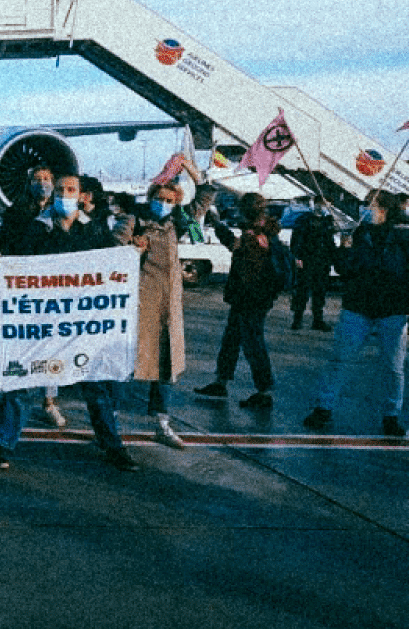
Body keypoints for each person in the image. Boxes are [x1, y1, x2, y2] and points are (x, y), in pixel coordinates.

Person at [0, 172, 140, 472]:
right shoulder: (35, 228)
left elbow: (114, 263)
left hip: (81, 327)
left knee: (96, 387)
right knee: (22, 384)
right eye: (60, 189)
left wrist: (136, 254)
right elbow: (15, 263)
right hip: (42, 325)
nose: (64, 194)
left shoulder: (93, 230)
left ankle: (113, 446)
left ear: (82, 195)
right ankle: (0, 445)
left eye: (70, 189)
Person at [114, 156, 215, 449]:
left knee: (167, 366)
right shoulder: (134, 221)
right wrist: (132, 247)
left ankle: (162, 422)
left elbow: (204, 201)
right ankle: (113, 421)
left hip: (169, 308)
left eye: (170, 199)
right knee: (128, 363)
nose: (164, 203)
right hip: (140, 305)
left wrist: (195, 173)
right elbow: (113, 245)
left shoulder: (175, 224)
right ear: (150, 198)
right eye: (159, 198)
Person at [303, 190, 408, 436]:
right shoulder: (360, 233)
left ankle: (391, 414)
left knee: (393, 366)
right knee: (340, 358)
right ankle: (324, 407)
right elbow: (345, 269)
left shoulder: (403, 236)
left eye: (369, 204)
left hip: (392, 309)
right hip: (358, 306)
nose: (365, 209)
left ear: (383, 208)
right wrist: (344, 248)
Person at [194, 192, 292, 408]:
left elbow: (236, 249)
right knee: (232, 340)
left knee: (253, 344)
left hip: (251, 299)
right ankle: (221, 381)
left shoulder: (255, 234)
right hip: (251, 298)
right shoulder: (265, 231)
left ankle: (263, 391)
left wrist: (218, 226)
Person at [0, 164, 65, 424]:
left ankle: (49, 401)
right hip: (27, 288)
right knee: (24, 347)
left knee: (52, 346)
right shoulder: (17, 212)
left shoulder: (63, 210)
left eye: (47, 178)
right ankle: (15, 400)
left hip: (56, 288)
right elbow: (8, 247)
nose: (43, 183)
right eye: (37, 179)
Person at [289, 195, 337, 331]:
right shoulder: (304, 220)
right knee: (302, 291)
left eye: (328, 204)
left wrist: (333, 257)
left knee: (320, 292)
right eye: (323, 204)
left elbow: (330, 242)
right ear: (316, 203)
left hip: (322, 262)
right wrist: (297, 257)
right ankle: (297, 319)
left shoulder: (328, 221)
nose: (325, 207)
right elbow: (296, 240)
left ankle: (318, 320)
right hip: (307, 260)